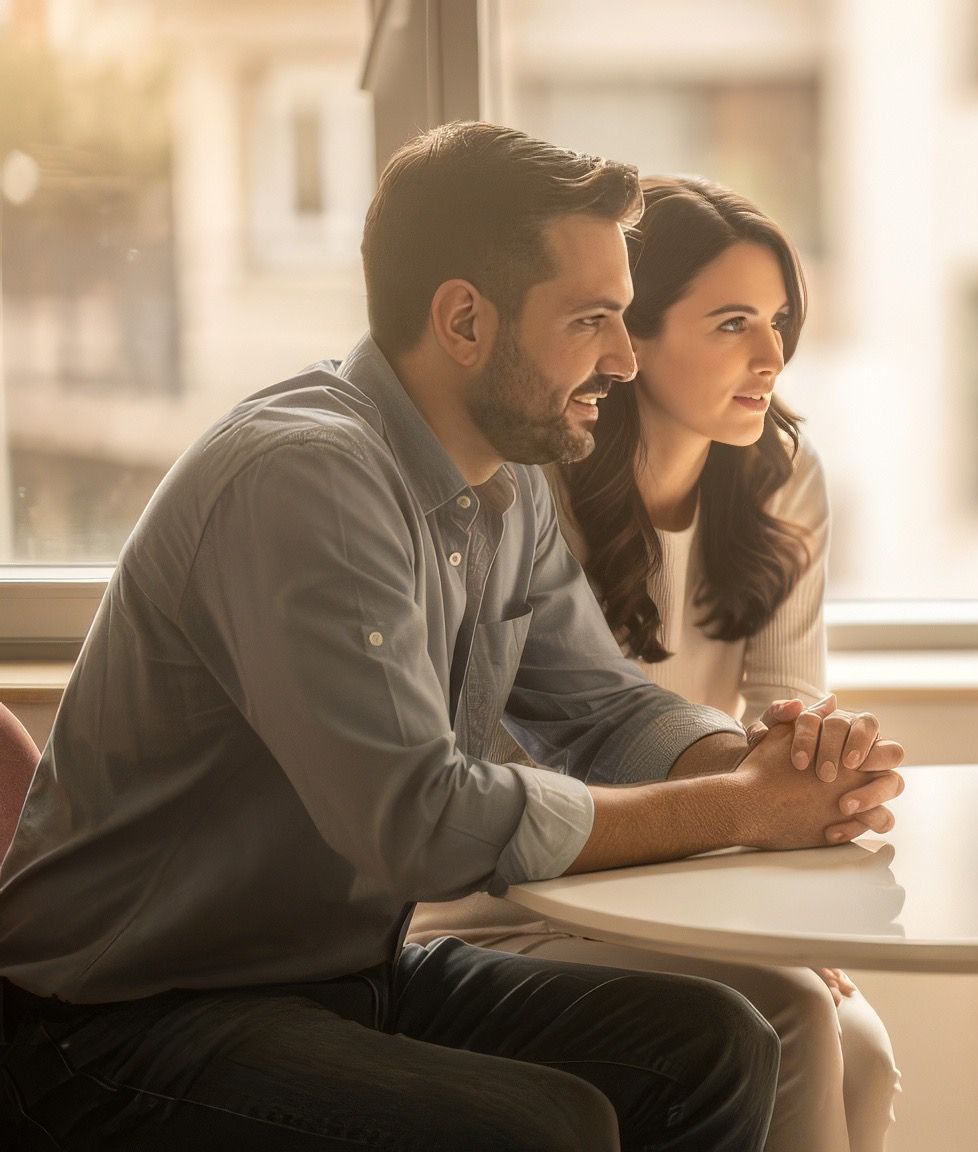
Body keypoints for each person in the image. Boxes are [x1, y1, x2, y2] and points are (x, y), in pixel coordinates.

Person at [0, 121, 904, 1151]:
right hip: (118, 1028)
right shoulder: (306, 480)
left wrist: (766, 765)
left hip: (341, 976)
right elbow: (421, 822)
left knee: (723, 1044)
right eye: (591, 321)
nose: (620, 357)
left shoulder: (502, 482)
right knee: (540, 1128)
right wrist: (736, 806)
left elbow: (600, 705)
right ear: (465, 320)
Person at [411, 175, 900, 1152]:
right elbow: (523, 784)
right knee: (797, 1015)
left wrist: (825, 783)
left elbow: (783, 732)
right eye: (730, 324)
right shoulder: (527, 490)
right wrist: (754, 884)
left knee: (867, 1047)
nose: (771, 356)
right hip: (511, 900)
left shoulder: (782, 479)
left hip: (697, 874)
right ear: (633, 337)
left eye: (777, 321)